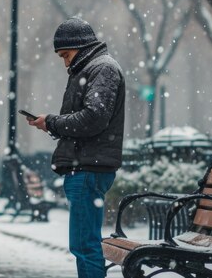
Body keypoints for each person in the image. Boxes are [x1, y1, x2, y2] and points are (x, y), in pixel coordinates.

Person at [28, 16, 125, 278]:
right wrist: (50, 124)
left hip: (88, 168)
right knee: (84, 244)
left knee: (84, 245)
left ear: (80, 47)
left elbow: (93, 118)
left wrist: (52, 122)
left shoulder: (101, 69)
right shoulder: (89, 70)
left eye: (66, 54)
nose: (65, 61)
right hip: (85, 166)